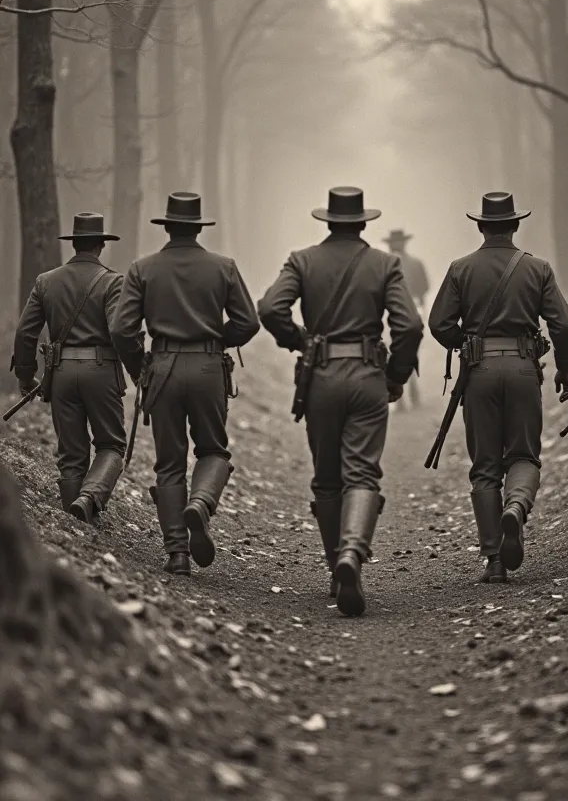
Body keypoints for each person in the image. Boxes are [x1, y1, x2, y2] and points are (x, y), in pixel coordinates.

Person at [257, 186, 423, 616]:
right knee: (363, 472)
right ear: (364, 223)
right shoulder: (386, 264)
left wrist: (300, 341)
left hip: (321, 380)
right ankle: (353, 555)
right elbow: (409, 326)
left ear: (327, 222)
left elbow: (271, 307)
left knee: (327, 478)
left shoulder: (301, 260)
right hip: (368, 377)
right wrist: (395, 376)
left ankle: (337, 566)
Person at [428, 192, 568, 583]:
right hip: (524, 370)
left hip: (478, 373)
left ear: (480, 226)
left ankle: (494, 559)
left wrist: (467, 342)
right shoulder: (538, 268)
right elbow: (562, 324)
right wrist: (565, 369)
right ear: (515, 226)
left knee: (484, 468)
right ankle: (516, 508)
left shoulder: (460, 268)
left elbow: (439, 323)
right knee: (525, 455)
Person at [111, 192, 259, 577]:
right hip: (209, 368)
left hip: (161, 369)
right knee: (213, 450)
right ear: (197, 228)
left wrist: (138, 368)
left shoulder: (142, 268)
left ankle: (177, 554)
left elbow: (122, 329)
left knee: (169, 463)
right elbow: (248, 322)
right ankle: (201, 504)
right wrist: (216, 340)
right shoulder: (223, 267)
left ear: (168, 226)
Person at [12, 212, 127, 521]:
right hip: (102, 372)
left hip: (60, 375)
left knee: (71, 455)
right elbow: (120, 331)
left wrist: (25, 374)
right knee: (112, 445)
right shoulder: (114, 282)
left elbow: (25, 332)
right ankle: (90, 498)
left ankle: (76, 522)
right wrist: (137, 366)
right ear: (101, 245)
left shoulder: (45, 281)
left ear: (74, 245)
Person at [383, 229, 429, 409]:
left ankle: (408, 393)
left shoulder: (385, 264)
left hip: (401, 311)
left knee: (402, 350)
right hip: (398, 311)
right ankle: (404, 394)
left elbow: (423, 289)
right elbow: (424, 288)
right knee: (402, 350)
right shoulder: (387, 264)